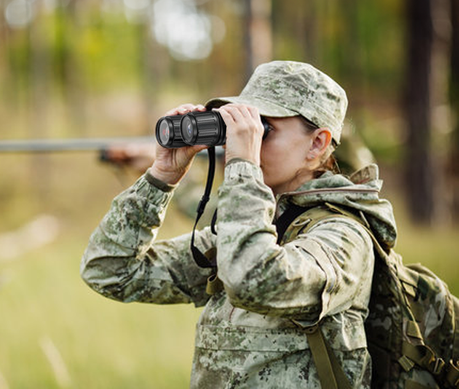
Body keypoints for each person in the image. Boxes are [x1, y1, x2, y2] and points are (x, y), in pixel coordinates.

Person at [81, 61, 396, 388]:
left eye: (264, 128)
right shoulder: (249, 230)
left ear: (317, 143)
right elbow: (109, 271)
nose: (246, 139)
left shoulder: (344, 236)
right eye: (243, 127)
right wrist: (162, 177)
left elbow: (254, 280)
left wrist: (243, 167)